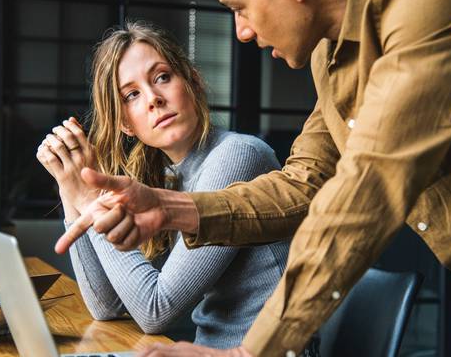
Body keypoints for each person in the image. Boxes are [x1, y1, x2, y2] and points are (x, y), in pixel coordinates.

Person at [57, 0, 451, 356]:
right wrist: (169, 208)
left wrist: (252, 353)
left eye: (241, 6)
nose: (242, 31)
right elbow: (305, 183)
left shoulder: (430, 9)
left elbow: (368, 186)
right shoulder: (330, 58)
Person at [36, 21, 319, 354]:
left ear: (193, 81)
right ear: (126, 123)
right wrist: (72, 190)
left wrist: (89, 199)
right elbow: (106, 306)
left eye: (162, 77)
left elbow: (155, 310)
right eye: (132, 95)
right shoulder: (170, 177)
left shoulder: (237, 156)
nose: (153, 99)